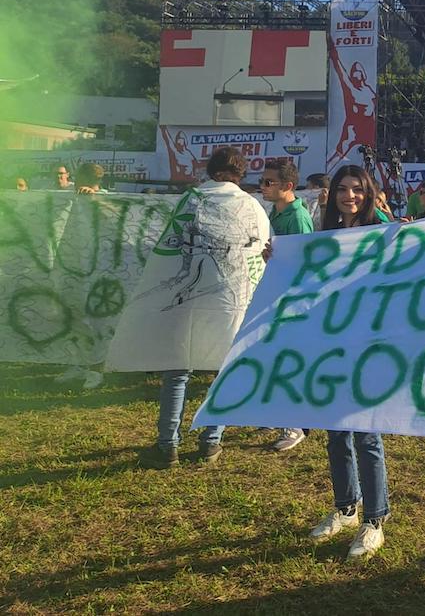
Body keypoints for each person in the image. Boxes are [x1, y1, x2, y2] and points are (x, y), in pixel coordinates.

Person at [144, 147, 271, 469]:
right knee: (221, 372)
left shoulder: (192, 200)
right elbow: (263, 252)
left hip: (189, 297)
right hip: (232, 300)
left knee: (177, 372)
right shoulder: (252, 205)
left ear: (210, 170)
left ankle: (167, 445)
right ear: (241, 175)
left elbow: (168, 247)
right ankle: (211, 441)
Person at [308, 164, 391, 560]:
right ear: (333, 195)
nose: (350, 196)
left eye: (357, 189)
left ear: (369, 193)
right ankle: (345, 507)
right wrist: (281, 259)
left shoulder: (381, 234)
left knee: (366, 435)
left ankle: (374, 519)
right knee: (335, 432)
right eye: (342, 189)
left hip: (370, 348)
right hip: (331, 346)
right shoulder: (323, 238)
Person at [259, 158, 314, 453]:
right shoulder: (275, 211)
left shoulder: (297, 218)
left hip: (293, 302)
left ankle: (294, 426)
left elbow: (306, 262)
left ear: (288, 187)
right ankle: (278, 415)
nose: (263, 187)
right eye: (262, 181)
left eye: (269, 183)